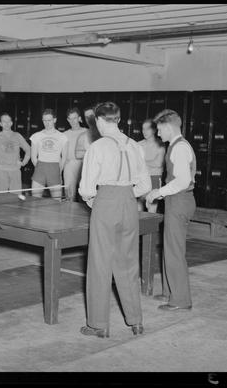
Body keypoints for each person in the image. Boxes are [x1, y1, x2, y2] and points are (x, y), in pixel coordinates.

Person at [78, 102, 152, 338]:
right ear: (117, 120)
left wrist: (93, 200)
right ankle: (136, 322)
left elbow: (86, 188)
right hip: (129, 203)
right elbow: (145, 186)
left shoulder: (97, 147)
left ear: (100, 121)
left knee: (100, 264)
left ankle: (98, 324)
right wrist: (127, 195)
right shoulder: (134, 146)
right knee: (128, 263)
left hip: (106, 202)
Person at [146, 109, 196, 311]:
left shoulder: (179, 148)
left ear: (168, 127)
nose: (158, 134)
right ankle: (169, 292)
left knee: (175, 250)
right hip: (175, 200)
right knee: (169, 247)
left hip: (179, 200)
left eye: (159, 130)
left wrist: (158, 192)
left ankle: (181, 300)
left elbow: (182, 181)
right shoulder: (175, 146)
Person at [30, 108, 68, 199]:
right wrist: (41, 167)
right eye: (44, 120)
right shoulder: (36, 136)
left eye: (49, 120)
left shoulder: (62, 137)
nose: (47, 123)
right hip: (40, 169)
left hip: (54, 169)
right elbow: (33, 157)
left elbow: (64, 158)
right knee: (34, 201)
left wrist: (59, 171)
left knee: (57, 202)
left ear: (54, 120)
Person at [0, 112, 31, 191]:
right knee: (1, 199)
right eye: (4, 122)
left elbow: (29, 149)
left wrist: (23, 162)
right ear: (0, 124)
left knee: (15, 199)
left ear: (11, 123)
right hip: (1, 172)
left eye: (8, 121)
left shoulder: (17, 136)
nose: (6, 124)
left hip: (15, 172)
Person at [138, 119, 165, 212]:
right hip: (141, 179)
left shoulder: (160, 145)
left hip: (154, 179)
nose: (144, 131)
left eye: (147, 129)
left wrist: (142, 162)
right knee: (138, 208)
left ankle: (149, 226)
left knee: (152, 209)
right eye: (143, 129)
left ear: (154, 130)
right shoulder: (139, 145)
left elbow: (158, 163)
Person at [62, 107, 87, 201]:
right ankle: (68, 213)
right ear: (68, 120)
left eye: (75, 118)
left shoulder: (87, 132)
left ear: (79, 118)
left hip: (84, 165)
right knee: (69, 196)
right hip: (69, 166)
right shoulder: (64, 134)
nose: (73, 121)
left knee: (85, 195)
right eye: (70, 118)